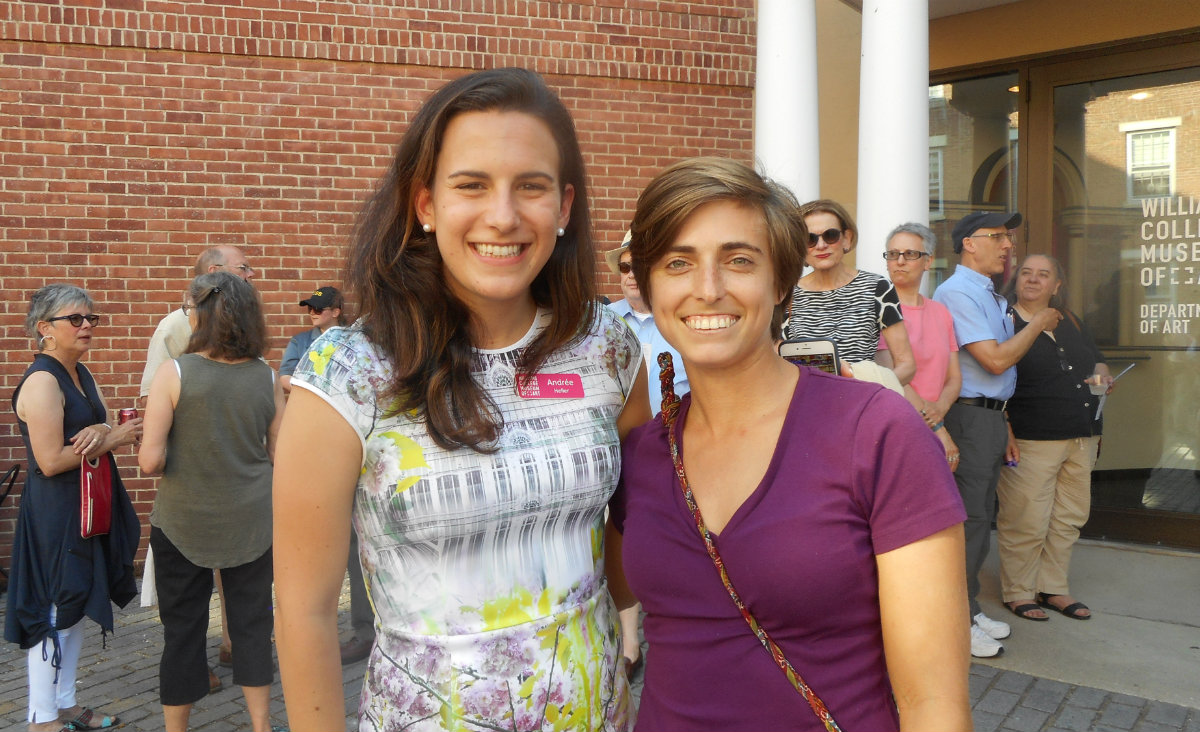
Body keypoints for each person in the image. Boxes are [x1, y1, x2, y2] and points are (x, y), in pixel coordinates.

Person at [273, 67, 650, 731]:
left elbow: (631, 529)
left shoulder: (609, 348)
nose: (502, 216)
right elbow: (303, 609)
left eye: (530, 187)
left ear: (563, 208)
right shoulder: (348, 374)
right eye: (471, 185)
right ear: (425, 204)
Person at [609, 157, 970, 731]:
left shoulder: (875, 432)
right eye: (678, 262)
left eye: (739, 261)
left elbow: (934, 705)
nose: (708, 289)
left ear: (781, 282)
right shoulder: (643, 455)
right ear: (649, 287)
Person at [138, 272, 286, 732]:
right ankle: (261, 725)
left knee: (182, 632)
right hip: (253, 521)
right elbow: (279, 454)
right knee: (252, 628)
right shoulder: (267, 375)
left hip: (184, 521)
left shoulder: (175, 372)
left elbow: (150, 462)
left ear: (200, 314)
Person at [7, 284, 141, 732]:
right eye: (76, 319)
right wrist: (115, 438)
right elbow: (49, 461)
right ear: (45, 329)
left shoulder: (80, 373)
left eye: (91, 318)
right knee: (54, 607)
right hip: (57, 511)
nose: (87, 326)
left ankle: (64, 704)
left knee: (78, 602)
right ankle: (41, 717)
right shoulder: (43, 380)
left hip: (87, 506)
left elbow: (91, 425)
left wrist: (102, 427)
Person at [933, 211, 1063, 658]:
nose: (1008, 245)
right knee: (968, 523)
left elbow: (993, 377)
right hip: (966, 421)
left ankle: (966, 609)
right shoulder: (956, 293)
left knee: (978, 521)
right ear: (970, 243)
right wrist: (1038, 322)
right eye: (998, 237)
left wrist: (1002, 421)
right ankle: (955, 620)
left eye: (1008, 237)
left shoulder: (984, 292)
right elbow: (993, 361)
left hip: (986, 419)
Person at [137, 244, 256, 684]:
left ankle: (232, 645)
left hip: (235, 475)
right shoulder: (176, 325)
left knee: (234, 563)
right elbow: (153, 398)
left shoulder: (241, 326)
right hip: (193, 473)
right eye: (245, 268)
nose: (252, 274)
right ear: (215, 271)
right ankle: (193, 664)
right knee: (190, 576)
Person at [996, 255, 1111, 622]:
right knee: (1026, 518)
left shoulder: (1071, 320)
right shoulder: (1003, 320)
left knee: (1068, 516)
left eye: (1043, 274)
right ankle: (1019, 591)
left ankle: (1053, 587)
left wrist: (1103, 375)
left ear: (1056, 285)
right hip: (1031, 436)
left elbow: (1097, 359)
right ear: (1015, 281)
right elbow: (993, 377)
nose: (1033, 279)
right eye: (1026, 273)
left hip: (1082, 435)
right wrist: (1006, 429)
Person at [604, 232, 688, 680]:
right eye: (624, 267)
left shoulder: (681, 319)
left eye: (642, 266)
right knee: (621, 531)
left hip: (678, 448)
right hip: (621, 448)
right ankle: (630, 637)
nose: (632, 276)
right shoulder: (600, 323)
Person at [783, 199, 916, 385]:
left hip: (861, 404)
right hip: (808, 402)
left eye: (830, 235)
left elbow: (907, 365)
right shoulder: (787, 294)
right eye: (810, 239)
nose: (821, 245)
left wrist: (870, 393)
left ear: (847, 238)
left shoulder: (877, 287)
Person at [877, 223, 963, 469]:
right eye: (893, 254)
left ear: (928, 261)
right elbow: (894, 379)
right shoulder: (880, 310)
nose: (900, 261)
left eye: (910, 254)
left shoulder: (940, 312)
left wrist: (939, 411)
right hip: (897, 426)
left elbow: (954, 377)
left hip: (935, 421)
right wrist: (938, 429)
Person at [279, 285, 347, 395]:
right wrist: (310, 395)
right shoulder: (299, 342)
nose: (312, 313)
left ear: (335, 312)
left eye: (318, 309)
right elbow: (285, 375)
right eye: (310, 309)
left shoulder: (353, 340)